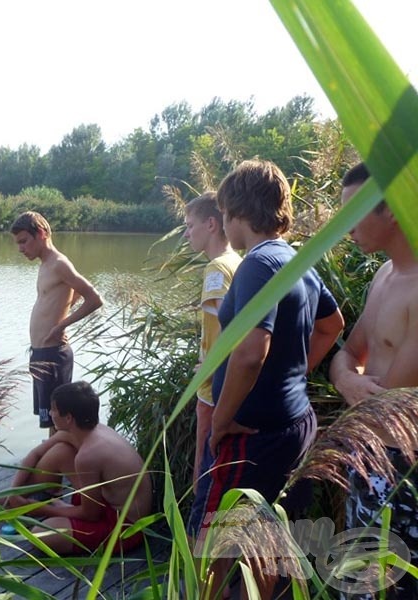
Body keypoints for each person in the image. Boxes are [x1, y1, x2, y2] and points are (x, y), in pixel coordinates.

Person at [187, 159, 344, 598]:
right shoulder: (298, 259)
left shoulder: (257, 262)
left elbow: (251, 352)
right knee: (267, 538)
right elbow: (333, 326)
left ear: (236, 212)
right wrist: (293, 374)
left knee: (211, 541)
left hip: (249, 434)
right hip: (295, 424)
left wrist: (222, 418)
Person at [329, 162, 418, 599]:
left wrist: (353, 384)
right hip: (368, 459)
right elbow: (345, 354)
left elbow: (390, 406)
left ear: (394, 211)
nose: (344, 227)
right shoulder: (384, 277)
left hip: (404, 472)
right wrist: (347, 381)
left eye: (353, 213)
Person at [0, 380, 152, 554]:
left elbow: (90, 515)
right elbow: (35, 454)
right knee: (60, 451)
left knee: (39, 535)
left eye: (54, 409)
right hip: (106, 502)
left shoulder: (88, 455)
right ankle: (11, 501)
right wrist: (14, 491)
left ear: (68, 418)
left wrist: (39, 509)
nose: (50, 413)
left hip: (125, 527)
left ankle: (36, 504)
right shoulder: (90, 430)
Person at [10, 211, 103, 433]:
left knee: (58, 420)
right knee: (50, 417)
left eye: (24, 241)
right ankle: (53, 457)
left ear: (41, 233)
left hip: (54, 353)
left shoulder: (59, 263)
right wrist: (64, 308)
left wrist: (62, 324)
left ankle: (56, 463)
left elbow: (95, 298)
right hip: (41, 351)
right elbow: (77, 292)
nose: (21, 248)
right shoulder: (45, 263)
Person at [183, 192, 242, 486]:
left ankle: (195, 532)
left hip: (212, 392)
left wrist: (210, 366)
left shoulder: (216, 268)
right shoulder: (237, 261)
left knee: (204, 479)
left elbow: (227, 329)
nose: (186, 233)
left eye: (189, 225)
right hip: (232, 388)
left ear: (211, 224)